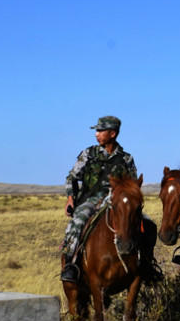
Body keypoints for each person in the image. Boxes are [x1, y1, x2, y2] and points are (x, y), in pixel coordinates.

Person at [61, 116, 155, 283]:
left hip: (117, 201)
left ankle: (147, 265)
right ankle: (70, 264)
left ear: (112, 134)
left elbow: (132, 185)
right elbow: (72, 178)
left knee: (148, 225)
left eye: (100, 131)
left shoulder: (126, 159)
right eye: (96, 131)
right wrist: (70, 198)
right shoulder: (88, 154)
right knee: (77, 222)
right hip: (90, 200)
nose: (97, 134)